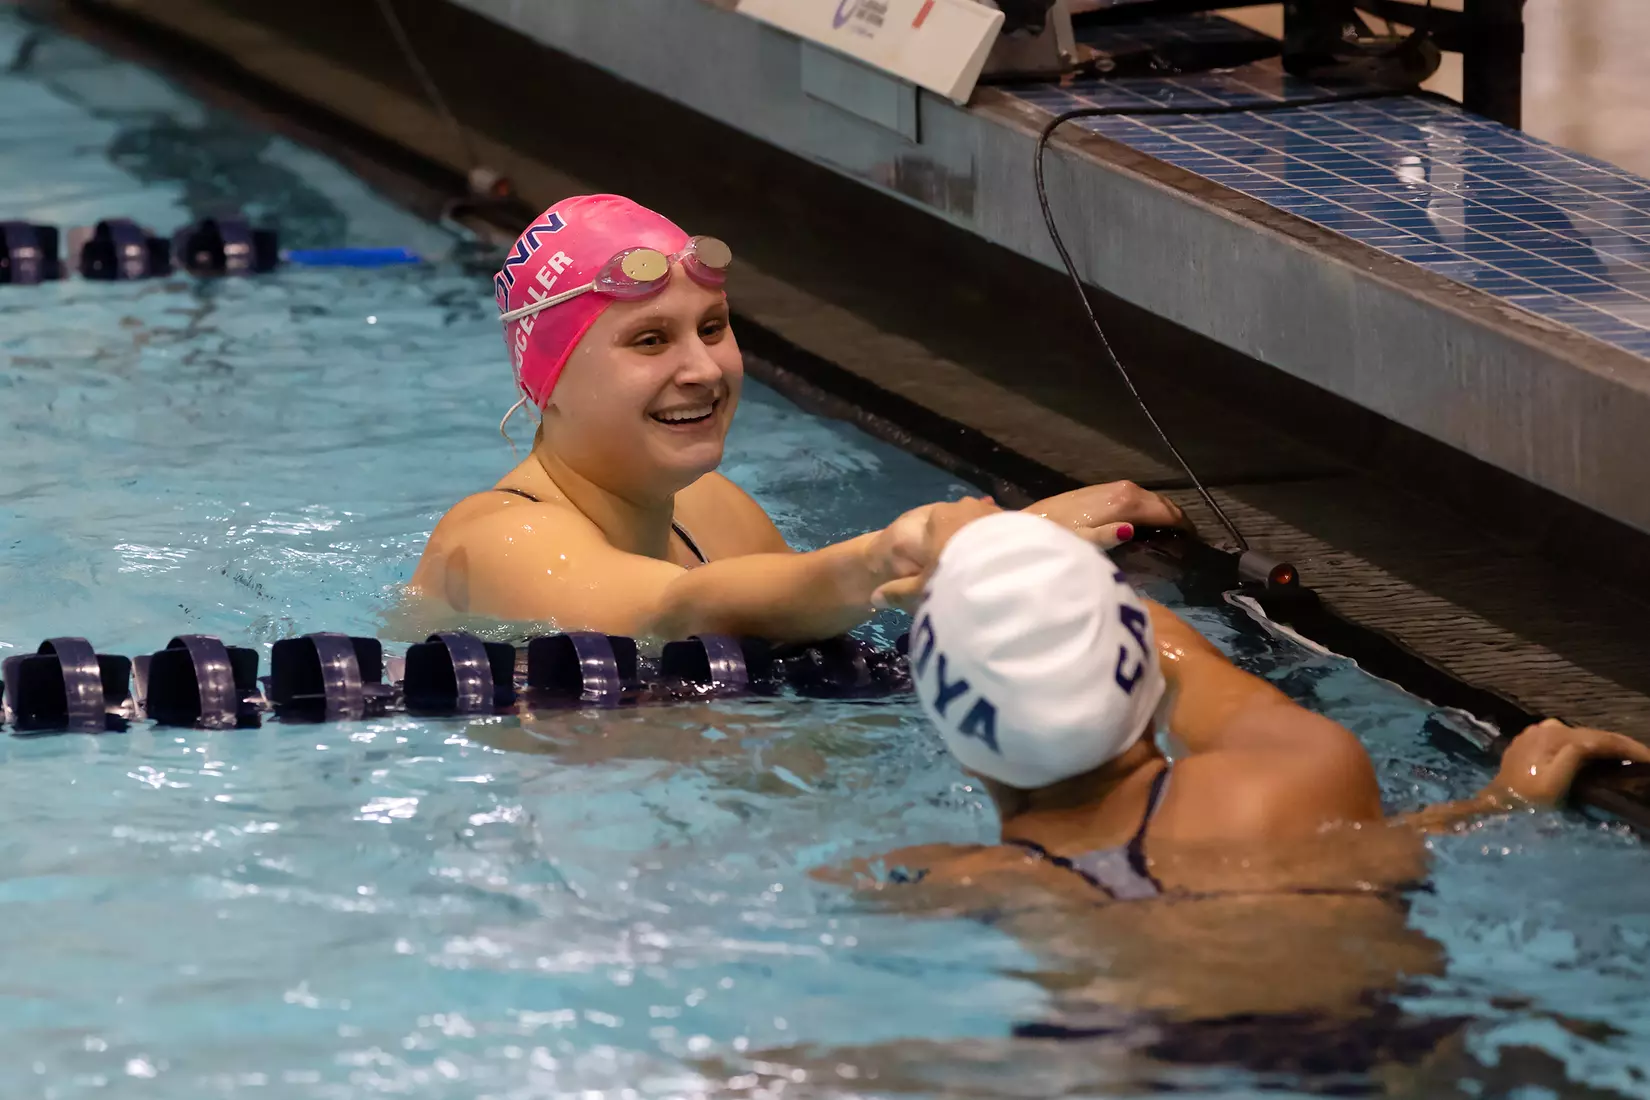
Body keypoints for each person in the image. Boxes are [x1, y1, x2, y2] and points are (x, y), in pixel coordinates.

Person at [833, 502, 1650, 1033]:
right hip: (1394, 1052)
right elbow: (1318, 866)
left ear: (951, 728)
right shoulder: (1297, 777)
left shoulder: (939, 883)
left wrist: (981, 586)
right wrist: (1500, 799)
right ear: (1138, 660)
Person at [406, 194, 1187, 642]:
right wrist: (887, 554)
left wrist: (1024, 535)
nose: (705, 368)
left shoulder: (712, 514)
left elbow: (833, 613)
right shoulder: (501, 539)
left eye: (713, 327)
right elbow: (671, 610)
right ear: (549, 383)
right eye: (650, 340)